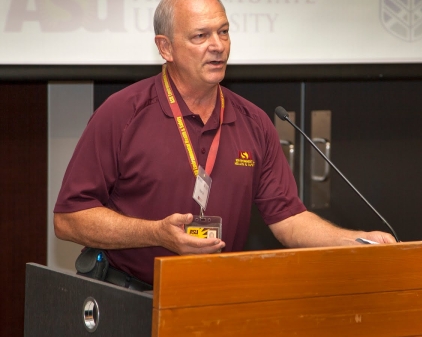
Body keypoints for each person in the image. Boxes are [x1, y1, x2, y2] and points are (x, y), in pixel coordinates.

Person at [54, 0, 396, 289]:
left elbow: (288, 219)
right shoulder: (122, 113)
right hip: (132, 296)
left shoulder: (254, 121)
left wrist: (358, 241)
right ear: (165, 48)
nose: (217, 45)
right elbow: (69, 219)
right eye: (201, 36)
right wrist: (157, 233)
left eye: (223, 31)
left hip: (218, 296)